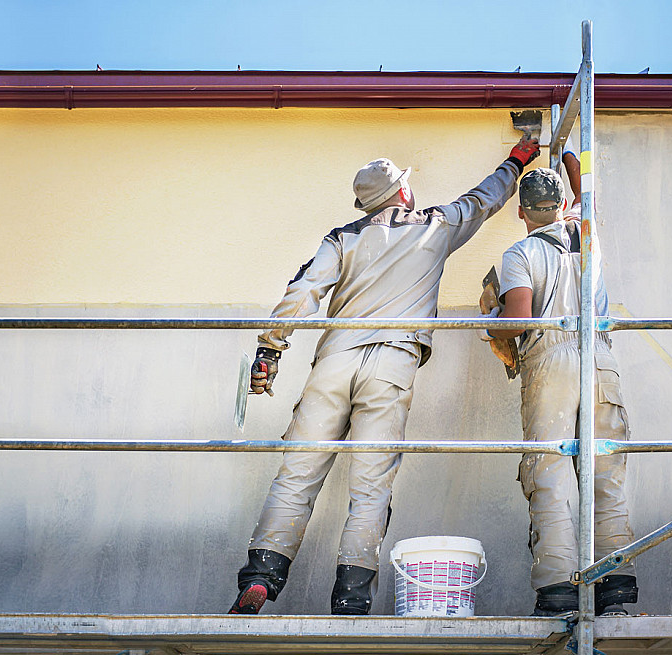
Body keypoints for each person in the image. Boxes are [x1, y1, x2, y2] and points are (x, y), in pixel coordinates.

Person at [228, 136, 540, 615]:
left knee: (295, 477)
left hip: (334, 362)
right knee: (371, 487)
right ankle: (351, 598)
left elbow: (303, 290)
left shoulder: (342, 237)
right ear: (403, 192)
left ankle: (262, 578)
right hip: (392, 363)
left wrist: (270, 350)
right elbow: (484, 200)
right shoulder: (436, 226)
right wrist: (518, 160)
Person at [485, 148, 639, 617]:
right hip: (599, 356)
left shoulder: (522, 252)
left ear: (521, 211)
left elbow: (518, 321)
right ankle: (616, 591)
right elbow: (584, 190)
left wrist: (489, 317)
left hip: (550, 361)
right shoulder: (587, 234)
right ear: (562, 204)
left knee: (551, 475)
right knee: (605, 471)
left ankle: (557, 594)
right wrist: (570, 155)